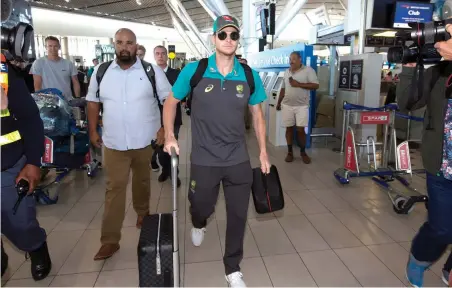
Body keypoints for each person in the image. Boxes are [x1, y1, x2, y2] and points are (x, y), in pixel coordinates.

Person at [163, 15, 271, 287]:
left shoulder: (248, 75)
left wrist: (263, 152)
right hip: (204, 158)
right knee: (200, 204)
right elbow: (171, 102)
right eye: (222, 35)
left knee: (238, 215)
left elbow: (257, 115)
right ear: (213, 39)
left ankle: (232, 267)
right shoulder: (195, 71)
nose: (228, 40)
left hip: (237, 158)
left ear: (238, 40)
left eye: (233, 35)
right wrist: (169, 135)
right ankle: (199, 222)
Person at [86, 28, 171, 261]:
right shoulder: (101, 72)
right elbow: (92, 102)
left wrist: (166, 128)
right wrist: (92, 129)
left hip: (145, 140)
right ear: (114, 45)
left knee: (142, 180)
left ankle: (143, 213)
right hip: (113, 142)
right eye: (120, 42)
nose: (125, 47)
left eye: (129, 43)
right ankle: (110, 241)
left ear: (136, 45)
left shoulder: (150, 71)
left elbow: (168, 100)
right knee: (114, 189)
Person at [399, 24, 452, 287]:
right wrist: (409, 69)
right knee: (442, 228)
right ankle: (418, 260)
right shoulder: (437, 74)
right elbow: (407, 103)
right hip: (442, 167)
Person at [1, 52, 52, 281]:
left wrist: (33, 162)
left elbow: (30, 117)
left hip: (8, 166)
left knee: (20, 225)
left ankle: (36, 246)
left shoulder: (3, 73)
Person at [276, 51, 319, 164]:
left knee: (300, 130)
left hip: (302, 106)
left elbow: (315, 85)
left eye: (294, 58)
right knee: (288, 128)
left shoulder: (308, 70)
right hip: (287, 105)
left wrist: (298, 84)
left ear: (300, 59)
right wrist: (279, 102)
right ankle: (290, 152)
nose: (291, 61)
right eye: (290, 59)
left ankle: (303, 152)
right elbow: (283, 89)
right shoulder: (286, 72)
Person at [150, 45, 182, 186]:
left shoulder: (176, 74)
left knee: (173, 145)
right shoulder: (149, 74)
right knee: (160, 147)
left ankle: (175, 173)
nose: (160, 56)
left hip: (174, 117)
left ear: (167, 55)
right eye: (157, 53)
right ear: (154, 56)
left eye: (163, 53)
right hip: (155, 117)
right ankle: (165, 170)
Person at [30, 36, 80, 100]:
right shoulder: (38, 63)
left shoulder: (68, 64)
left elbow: (75, 82)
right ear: (46, 47)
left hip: (67, 100)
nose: (53, 48)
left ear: (59, 47)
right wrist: (40, 101)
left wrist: (78, 98)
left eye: (55, 46)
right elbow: (37, 85)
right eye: (50, 46)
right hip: (48, 102)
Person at [238, 58, 251, 130]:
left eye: (243, 63)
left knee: (245, 111)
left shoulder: (250, 74)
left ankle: (246, 125)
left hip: (245, 96)